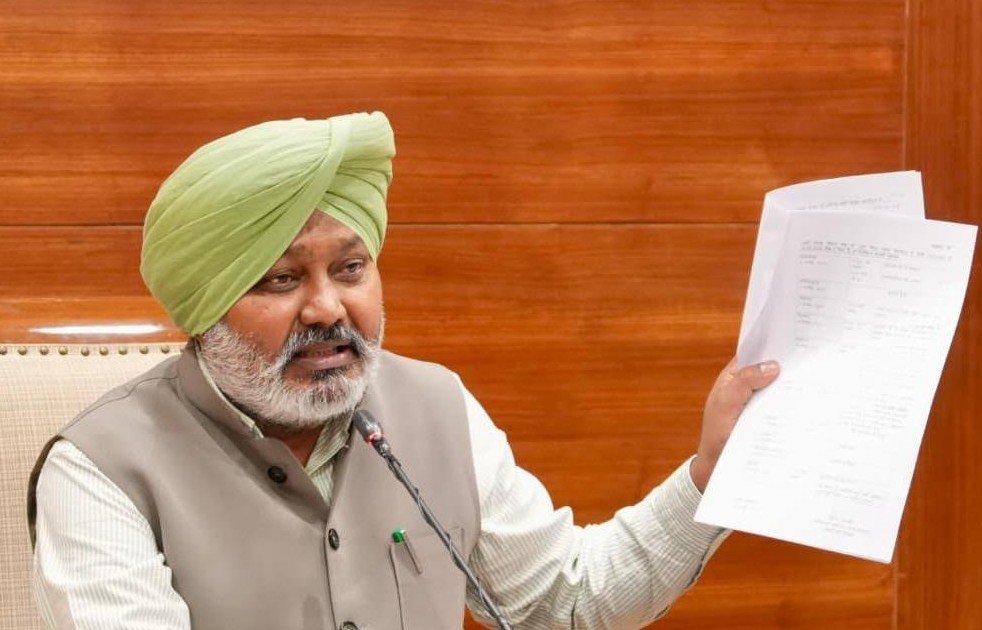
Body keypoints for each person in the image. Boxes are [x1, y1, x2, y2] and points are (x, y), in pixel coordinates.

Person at [28, 112, 780, 630]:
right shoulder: (101, 469)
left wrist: (711, 473)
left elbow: (567, 603)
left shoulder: (435, 407)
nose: (328, 308)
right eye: (281, 280)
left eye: (351, 269)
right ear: (204, 309)